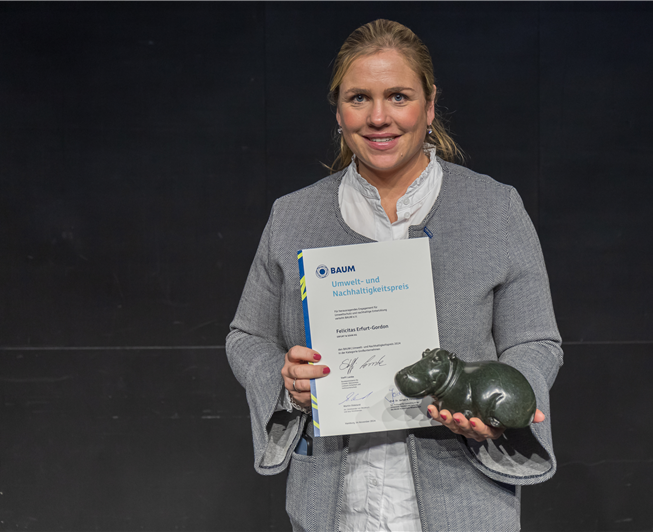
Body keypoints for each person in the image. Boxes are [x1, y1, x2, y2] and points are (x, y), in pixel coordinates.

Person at [226, 19, 562, 532]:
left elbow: (536, 342)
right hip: (332, 510)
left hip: (463, 503)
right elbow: (246, 338)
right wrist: (283, 382)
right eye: (359, 97)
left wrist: (495, 411)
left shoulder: (495, 209)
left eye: (398, 96)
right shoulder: (292, 217)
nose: (378, 117)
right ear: (338, 110)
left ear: (429, 106)